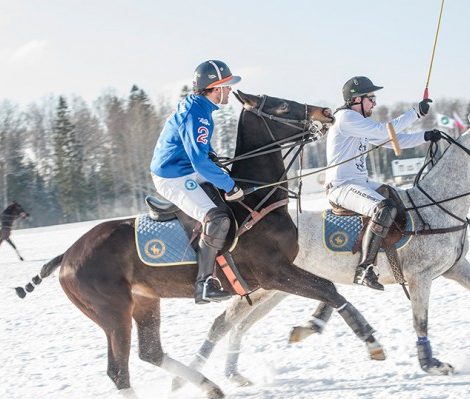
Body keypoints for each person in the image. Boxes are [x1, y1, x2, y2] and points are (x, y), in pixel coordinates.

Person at [325, 76, 442, 290]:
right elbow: (384, 131)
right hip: (341, 187)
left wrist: (425, 136)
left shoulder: (359, 122)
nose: (374, 102)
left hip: (360, 183)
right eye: (371, 98)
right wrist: (415, 113)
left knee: (397, 196)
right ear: (356, 99)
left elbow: (389, 141)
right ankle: (365, 268)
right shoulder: (345, 118)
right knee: (383, 207)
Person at [150, 60, 244, 304]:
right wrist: (229, 186)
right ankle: (203, 286)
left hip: (185, 167)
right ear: (215, 88)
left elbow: (197, 147)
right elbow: (199, 162)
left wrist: (217, 162)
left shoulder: (201, 106)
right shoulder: (198, 114)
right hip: (174, 176)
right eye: (227, 86)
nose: (230, 91)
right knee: (217, 218)